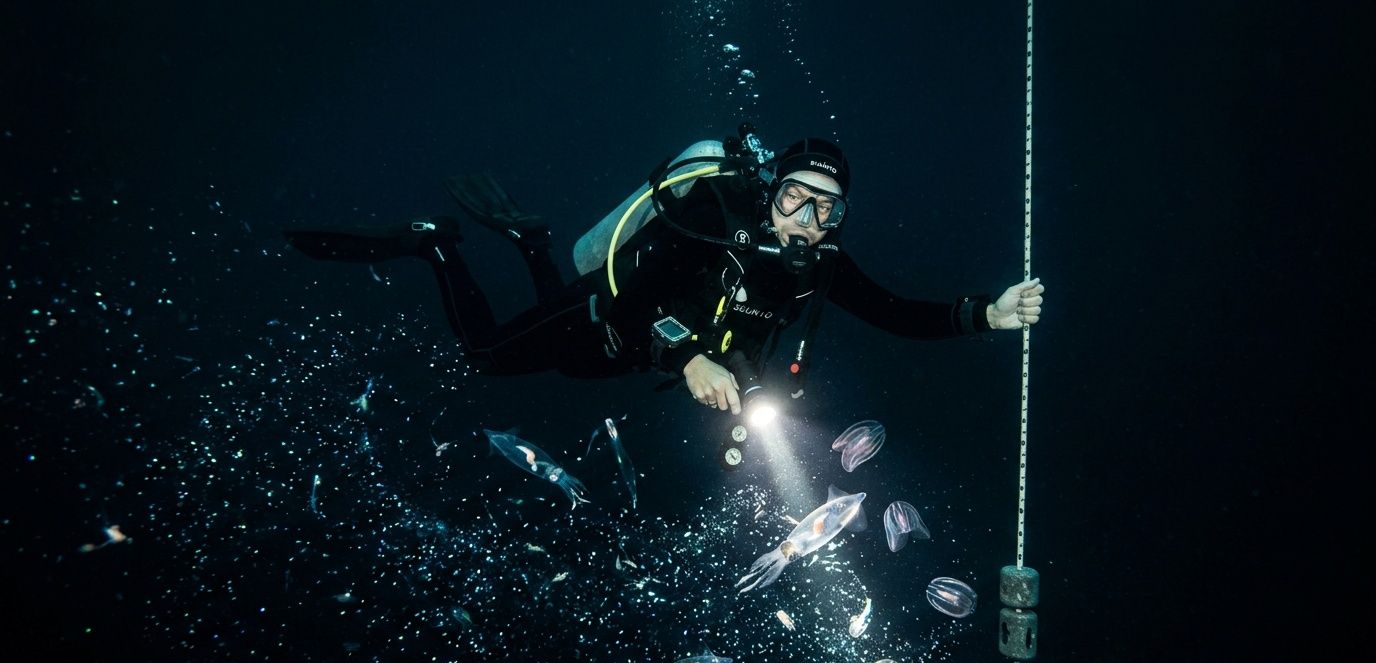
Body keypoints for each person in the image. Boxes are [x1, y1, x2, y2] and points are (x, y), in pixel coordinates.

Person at [284, 125, 1044, 415]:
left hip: (611, 364)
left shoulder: (818, 264)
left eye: (827, 211)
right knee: (486, 359)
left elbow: (891, 310)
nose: (807, 222)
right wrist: (686, 357)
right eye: (795, 198)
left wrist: (986, 314)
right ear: (770, 190)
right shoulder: (712, 220)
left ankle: (530, 242)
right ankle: (437, 245)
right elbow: (630, 301)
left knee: (568, 371)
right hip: (602, 320)